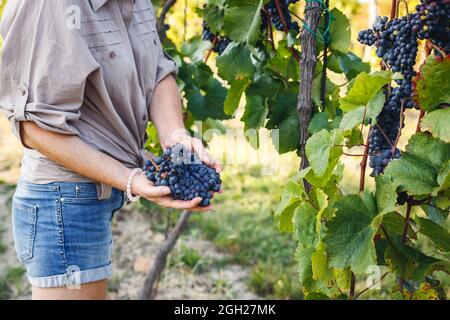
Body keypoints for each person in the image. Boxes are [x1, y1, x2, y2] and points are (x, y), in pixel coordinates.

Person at [0, 0, 220, 300]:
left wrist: (176, 137)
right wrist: (130, 179)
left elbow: (157, 71)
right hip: (62, 201)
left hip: (102, 190)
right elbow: (34, 128)